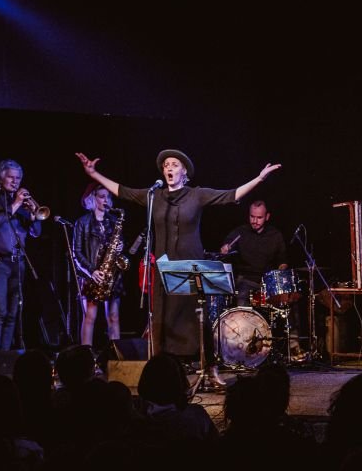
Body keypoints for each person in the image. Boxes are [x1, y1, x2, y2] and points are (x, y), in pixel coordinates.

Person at [75, 148, 280, 387]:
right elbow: (122, 190)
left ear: (184, 171)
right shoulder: (154, 196)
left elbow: (230, 195)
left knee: (198, 319)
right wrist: (94, 174)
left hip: (191, 266)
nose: (168, 168)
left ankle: (210, 369)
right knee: (163, 321)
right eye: (165, 165)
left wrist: (259, 178)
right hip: (164, 268)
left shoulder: (197, 194)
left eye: (174, 164)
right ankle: (165, 373)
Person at [0, 159, 42, 353]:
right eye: (11, 177)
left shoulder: (22, 204)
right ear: (1, 178)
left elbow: (36, 233)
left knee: (13, 314)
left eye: (18, 178)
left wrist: (33, 216)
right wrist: (16, 203)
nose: (15, 182)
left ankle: (4, 358)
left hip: (18, 263)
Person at [72, 183, 124, 346]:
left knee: (114, 317)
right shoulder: (82, 222)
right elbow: (77, 252)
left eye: (108, 197)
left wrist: (120, 247)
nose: (105, 200)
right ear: (92, 198)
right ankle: (86, 354)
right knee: (90, 317)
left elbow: (118, 244)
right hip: (91, 275)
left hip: (111, 275)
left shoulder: (114, 221)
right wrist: (92, 271)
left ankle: (116, 355)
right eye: (101, 196)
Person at [219, 200, 289, 307]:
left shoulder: (275, 235)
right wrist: (225, 249)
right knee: (243, 295)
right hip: (245, 280)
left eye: (259, 217)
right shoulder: (240, 232)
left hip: (268, 282)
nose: (255, 221)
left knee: (287, 301)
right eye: (252, 216)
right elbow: (225, 248)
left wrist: (280, 275)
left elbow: (282, 261)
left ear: (267, 217)